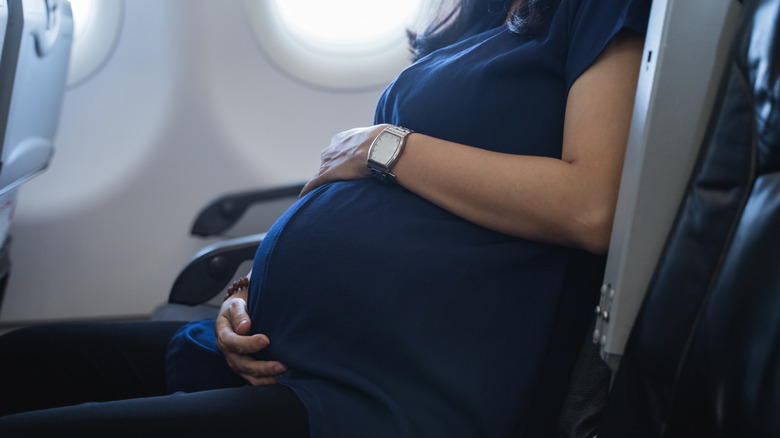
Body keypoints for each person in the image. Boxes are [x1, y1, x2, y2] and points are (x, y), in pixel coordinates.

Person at [0, 0, 649, 436]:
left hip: (373, 396)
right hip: (280, 349)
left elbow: (590, 204)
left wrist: (383, 146)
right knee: (26, 361)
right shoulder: (482, 16)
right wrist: (245, 294)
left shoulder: (593, 11)